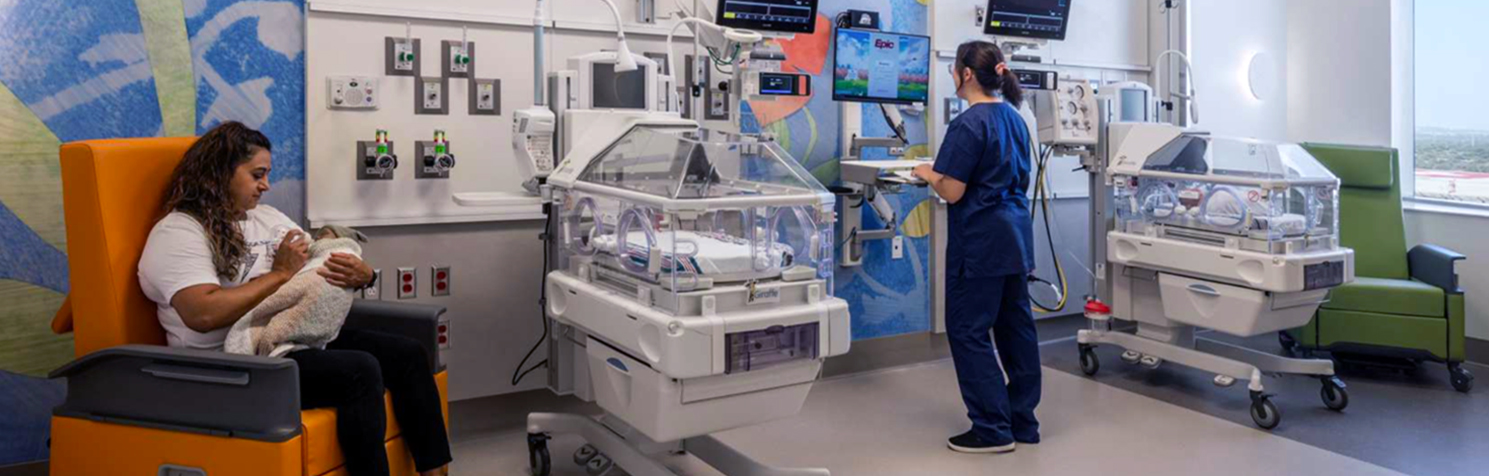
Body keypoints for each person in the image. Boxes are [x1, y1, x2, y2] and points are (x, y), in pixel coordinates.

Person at [137, 122, 453, 476]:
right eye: (257, 174)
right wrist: (279, 275)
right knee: (359, 371)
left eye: (267, 174)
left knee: (408, 353)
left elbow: (320, 257)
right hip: (228, 362)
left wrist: (366, 275)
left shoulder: (266, 218)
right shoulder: (179, 232)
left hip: (285, 341)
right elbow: (202, 313)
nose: (266, 185)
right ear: (221, 171)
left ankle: (436, 473)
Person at [912, 40, 1041, 454]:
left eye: (953, 69)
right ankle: (1022, 422)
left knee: (968, 331)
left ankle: (991, 428)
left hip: (981, 241)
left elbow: (952, 190)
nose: (952, 75)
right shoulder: (1014, 118)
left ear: (966, 74)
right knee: (1014, 327)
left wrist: (928, 172)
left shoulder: (969, 124)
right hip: (1015, 239)